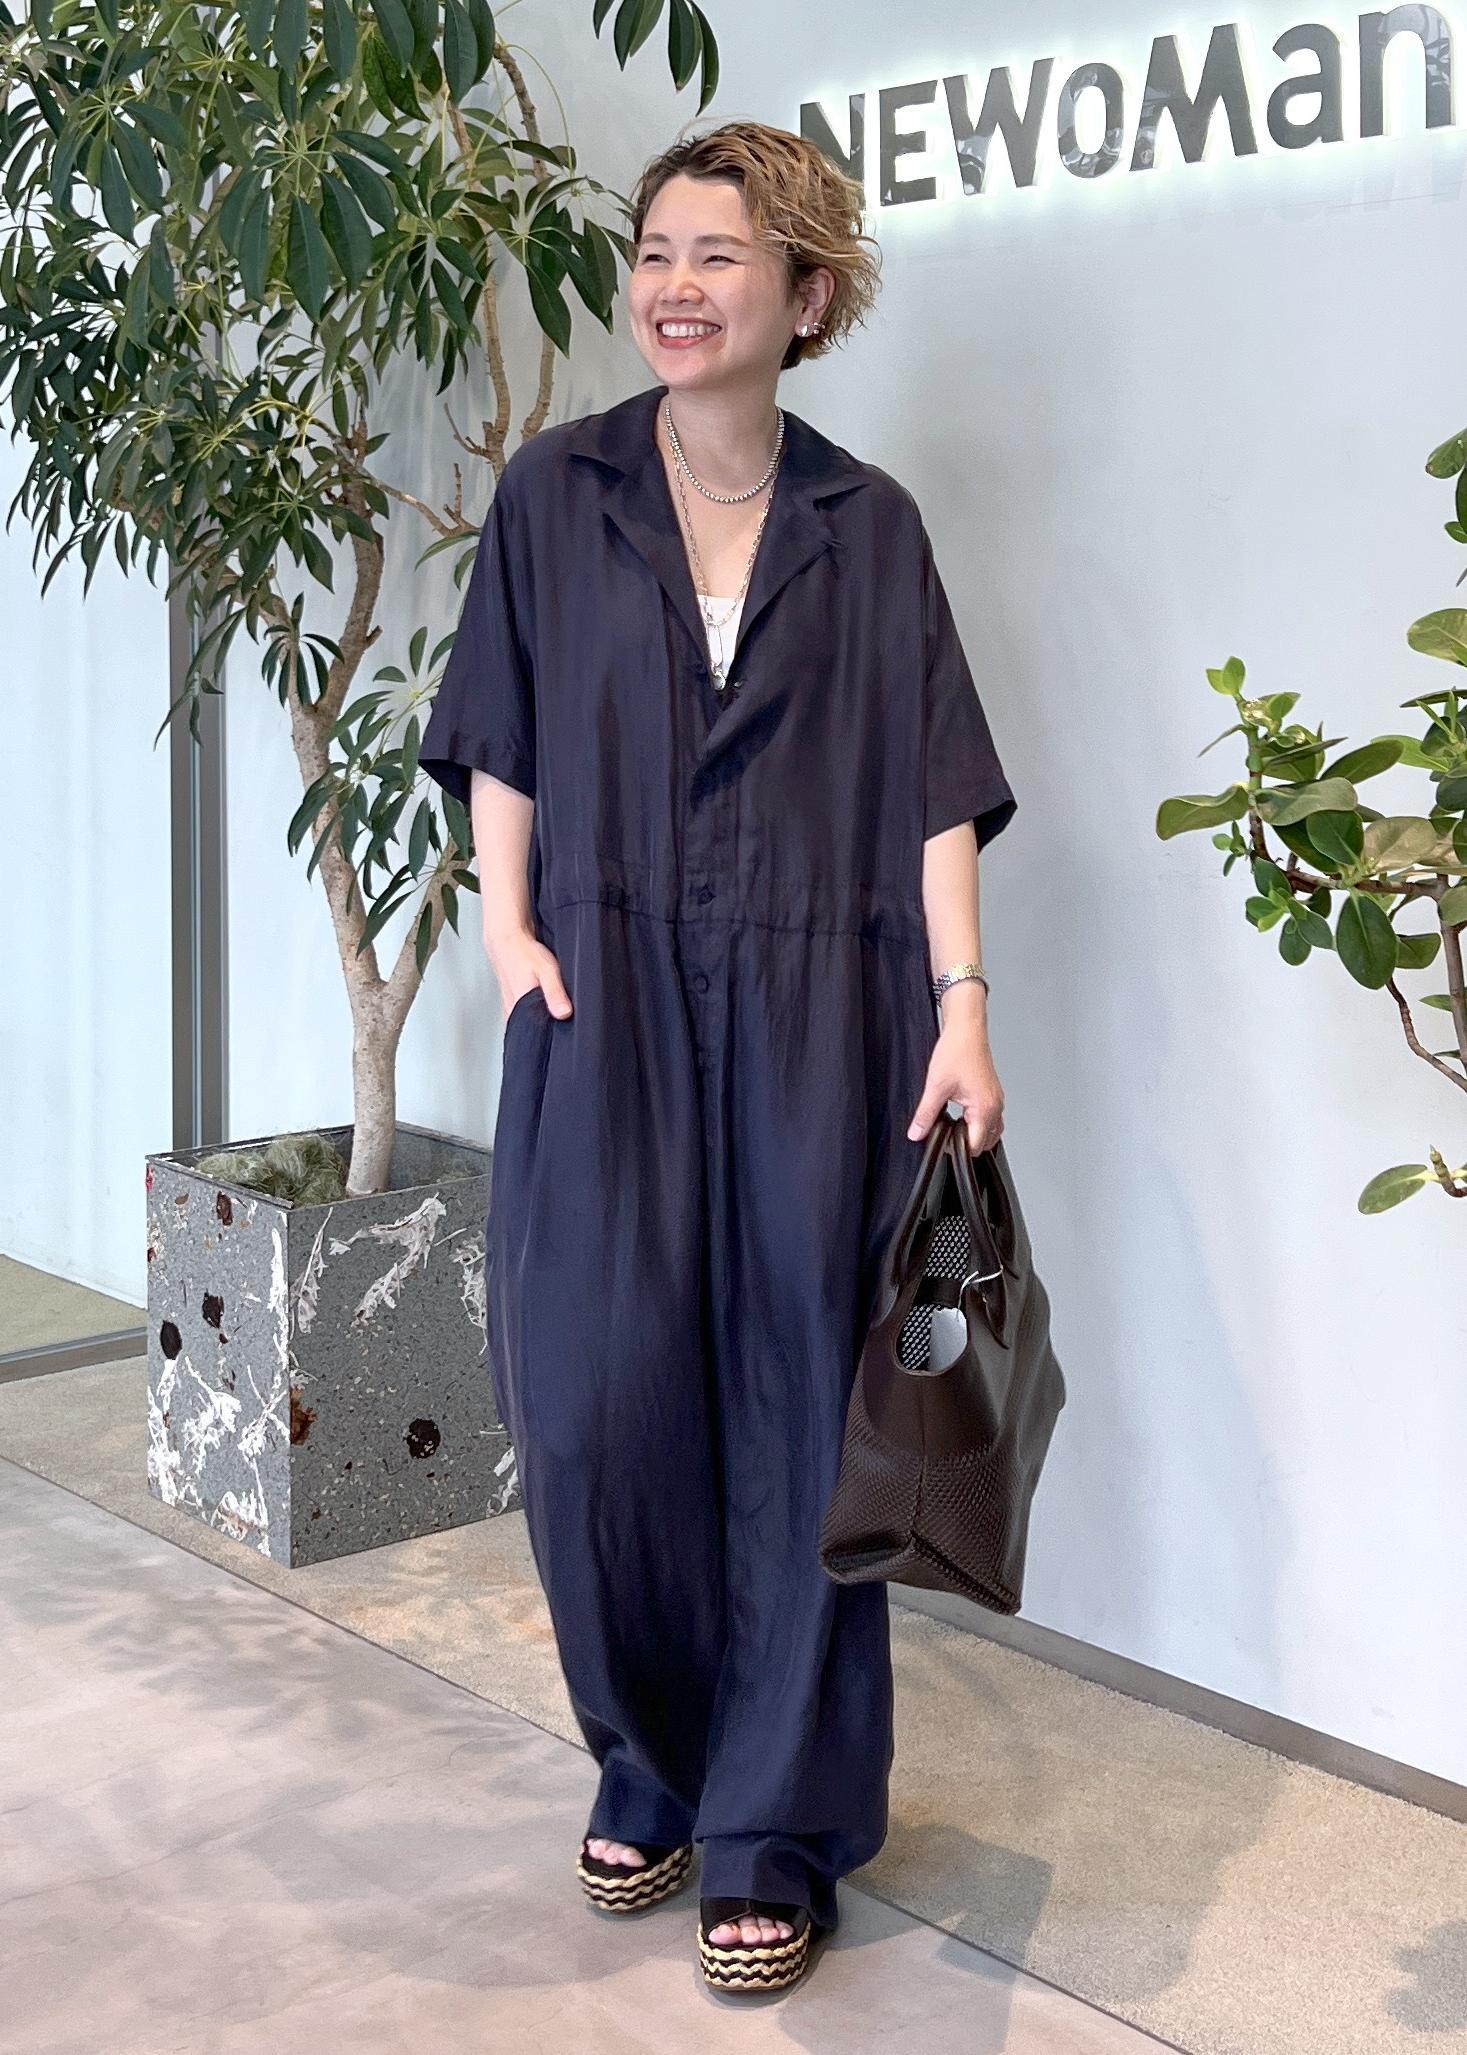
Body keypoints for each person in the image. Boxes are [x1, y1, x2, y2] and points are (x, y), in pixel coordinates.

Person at [419, 117, 1017, 1997]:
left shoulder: (870, 526)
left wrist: (963, 1004)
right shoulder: (556, 493)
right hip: (596, 988)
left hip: (822, 1002)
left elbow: (933, 784)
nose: (675, 286)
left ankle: (768, 1825)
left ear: (807, 295)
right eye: (657, 251)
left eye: (721, 255)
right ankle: (648, 1760)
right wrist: (507, 929)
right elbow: (501, 728)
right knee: (590, 1403)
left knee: (791, 1409)